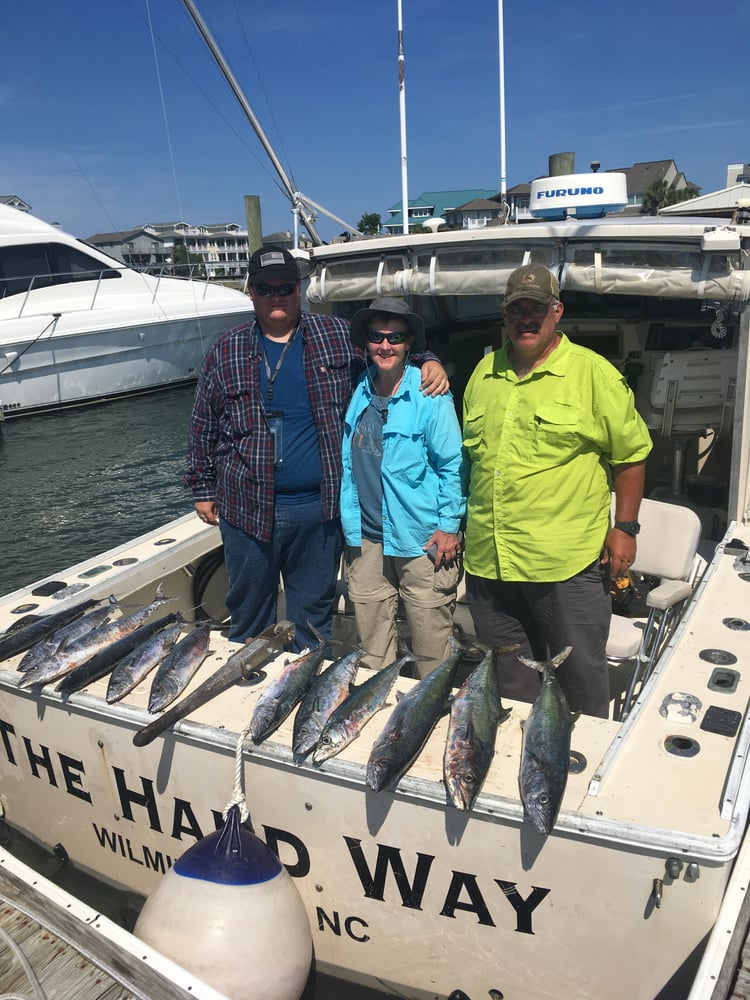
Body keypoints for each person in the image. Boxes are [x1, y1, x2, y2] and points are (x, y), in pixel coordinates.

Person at [184, 248, 448, 652]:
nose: (277, 296)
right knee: (249, 610)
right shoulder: (226, 349)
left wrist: (428, 360)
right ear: (251, 292)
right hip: (246, 505)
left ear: (300, 289)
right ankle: (248, 689)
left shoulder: (335, 335)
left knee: (313, 614)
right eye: (266, 288)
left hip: (319, 509)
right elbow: (203, 424)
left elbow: (388, 352)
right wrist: (203, 488)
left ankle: (304, 690)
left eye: (286, 287)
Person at [461, 264, 653, 717]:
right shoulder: (482, 373)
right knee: (507, 678)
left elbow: (631, 456)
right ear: (504, 316)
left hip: (565, 563)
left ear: (557, 312)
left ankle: (585, 771)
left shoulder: (594, 374)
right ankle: (517, 768)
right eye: (516, 310)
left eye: (537, 309)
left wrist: (624, 528)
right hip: (491, 562)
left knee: (581, 678)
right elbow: (471, 463)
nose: (526, 319)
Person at [340, 297, 465, 677]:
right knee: (372, 651)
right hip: (365, 539)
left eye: (395, 337)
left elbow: (453, 465)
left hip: (422, 539)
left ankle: (430, 716)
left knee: (432, 650)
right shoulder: (358, 386)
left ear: (409, 343)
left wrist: (448, 527)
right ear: (366, 342)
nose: (385, 345)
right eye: (377, 337)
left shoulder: (431, 392)